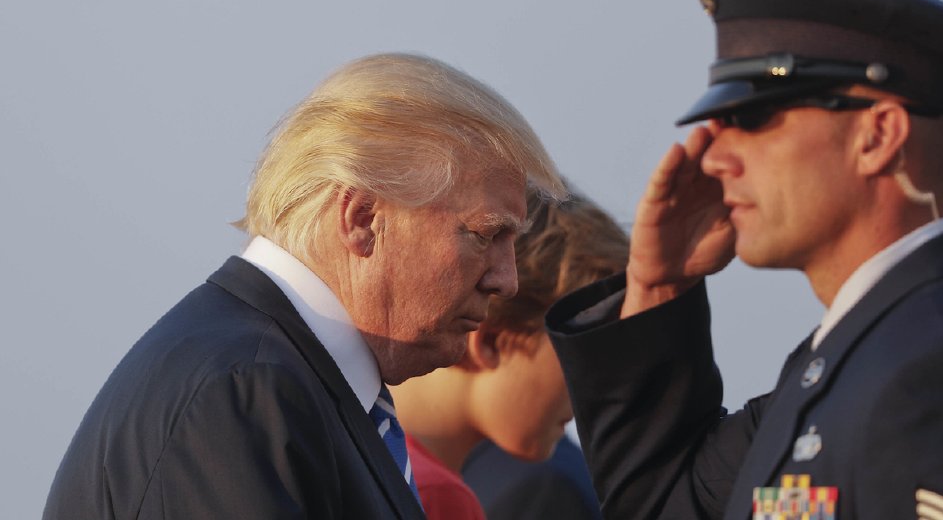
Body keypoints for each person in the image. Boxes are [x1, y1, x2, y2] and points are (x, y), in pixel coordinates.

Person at [546, 0, 943, 520]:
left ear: (877, 136)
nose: (713, 157)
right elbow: (664, 505)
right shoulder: (854, 355)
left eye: (751, 117)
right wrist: (658, 286)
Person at [43, 52, 566, 520]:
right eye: (484, 235)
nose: (508, 280)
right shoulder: (247, 391)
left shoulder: (275, 378)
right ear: (362, 219)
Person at [392, 188, 625, 520]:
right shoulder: (431, 496)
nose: (604, 387)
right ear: (493, 342)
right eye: (587, 355)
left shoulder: (342, 445)